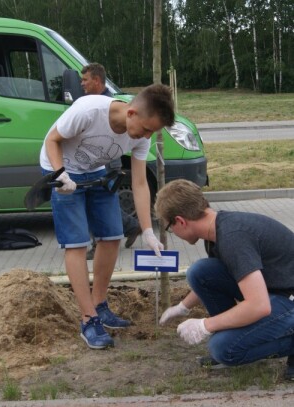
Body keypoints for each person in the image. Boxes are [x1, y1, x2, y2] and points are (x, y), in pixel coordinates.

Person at [40, 84, 175, 349]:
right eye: (147, 129)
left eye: (152, 132)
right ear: (132, 112)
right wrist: (60, 175)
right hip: (60, 167)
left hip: (95, 171)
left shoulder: (141, 136)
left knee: (112, 237)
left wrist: (148, 230)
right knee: (77, 243)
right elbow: (52, 140)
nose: (147, 136)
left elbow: (139, 183)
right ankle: (88, 320)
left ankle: (99, 305)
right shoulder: (88, 111)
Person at [155, 179, 294, 380]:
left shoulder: (233, 238)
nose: (172, 233)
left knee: (223, 348)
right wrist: (183, 307)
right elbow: (221, 277)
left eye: (169, 228)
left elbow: (259, 306)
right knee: (200, 272)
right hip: (275, 288)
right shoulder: (218, 230)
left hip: (287, 298)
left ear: (181, 221)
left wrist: (205, 325)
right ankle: (244, 334)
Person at [80, 63, 142, 259]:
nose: (82, 84)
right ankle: (132, 227)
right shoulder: (92, 101)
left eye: (85, 80)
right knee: (104, 203)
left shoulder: (108, 105)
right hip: (100, 163)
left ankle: (99, 244)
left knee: (96, 203)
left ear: (96, 81)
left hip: (105, 165)